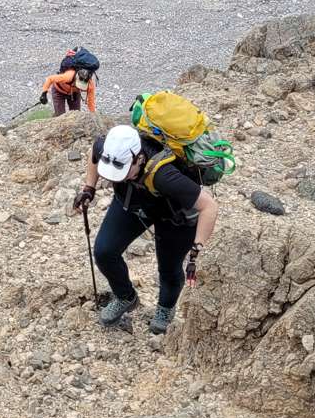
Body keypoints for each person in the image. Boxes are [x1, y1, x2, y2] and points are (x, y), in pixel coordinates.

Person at [73, 125, 219, 333]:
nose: (116, 178)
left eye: (122, 172)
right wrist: (89, 188)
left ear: (139, 159)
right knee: (104, 252)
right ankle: (125, 297)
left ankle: (165, 309)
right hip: (133, 204)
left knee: (169, 268)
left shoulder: (165, 175)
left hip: (174, 216)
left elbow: (209, 206)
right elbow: (94, 154)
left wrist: (197, 248)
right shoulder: (108, 147)